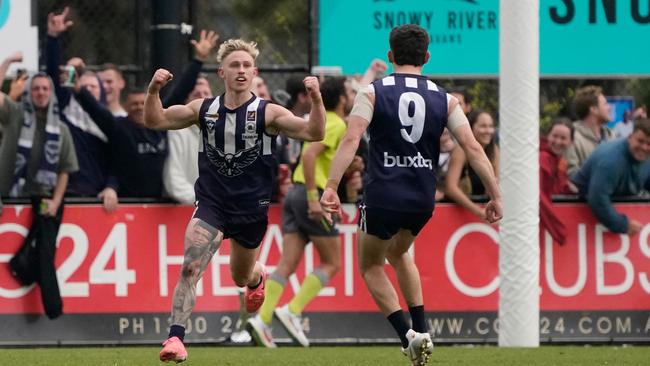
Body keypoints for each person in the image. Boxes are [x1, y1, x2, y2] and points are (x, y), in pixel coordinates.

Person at [320, 24, 502, 366]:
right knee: (401, 252)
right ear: (427, 57)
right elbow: (473, 147)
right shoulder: (446, 98)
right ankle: (423, 328)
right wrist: (495, 195)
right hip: (421, 198)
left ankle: (408, 336)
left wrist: (331, 186)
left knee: (371, 265)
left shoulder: (372, 92)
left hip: (383, 195)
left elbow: (351, 138)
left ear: (390, 56)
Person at [143, 38, 325, 363]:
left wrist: (316, 99)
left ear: (254, 73)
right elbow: (155, 120)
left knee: (239, 277)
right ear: (221, 72)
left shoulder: (268, 112)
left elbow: (314, 132)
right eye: (234, 66)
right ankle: (175, 339)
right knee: (189, 267)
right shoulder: (204, 109)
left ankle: (257, 278)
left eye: (246, 66)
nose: (241, 71)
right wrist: (154, 90)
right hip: (212, 204)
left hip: (250, 210)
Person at [247, 77, 352, 348]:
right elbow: (309, 156)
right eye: (350, 92)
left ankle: (263, 318)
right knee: (332, 263)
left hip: (294, 193)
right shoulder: (336, 122)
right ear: (341, 98)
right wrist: (313, 199)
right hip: (311, 194)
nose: (352, 96)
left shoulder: (322, 119)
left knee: (287, 263)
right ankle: (292, 310)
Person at [0, 59, 79, 319]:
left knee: (45, 251)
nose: (41, 93)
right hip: (12, 194)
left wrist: (57, 201)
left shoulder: (62, 128)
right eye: (36, 89)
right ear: (29, 92)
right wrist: (7, 64)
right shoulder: (15, 114)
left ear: (51, 92)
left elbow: (65, 170)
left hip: (45, 196)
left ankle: (54, 311)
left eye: (46, 89)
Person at [45, 7, 119, 212]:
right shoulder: (65, 110)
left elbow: (120, 160)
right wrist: (53, 38)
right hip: (60, 196)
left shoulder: (110, 121)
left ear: (102, 91)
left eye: (93, 87)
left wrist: (112, 186)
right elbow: (53, 76)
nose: (86, 89)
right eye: (82, 86)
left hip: (96, 200)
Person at [571, 118, 650, 236]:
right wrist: (623, 225)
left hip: (608, 210)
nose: (644, 147)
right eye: (640, 141)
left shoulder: (646, 158)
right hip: (579, 216)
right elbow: (597, 198)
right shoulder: (611, 159)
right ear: (630, 137)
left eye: (649, 144)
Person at [444, 110, 499, 221]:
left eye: (491, 126)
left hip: (483, 211)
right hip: (454, 213)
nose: (488, 131)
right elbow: (450, 188)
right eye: (483, 126)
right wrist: (478, 212)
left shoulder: (494, 150)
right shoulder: (461, 151)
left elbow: (495, 183)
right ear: (471, 128)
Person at [540, 118, 575, 245]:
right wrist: (559, 230)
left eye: (563, 138)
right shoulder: (543, 158)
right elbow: (537, 196)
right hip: (541, 227)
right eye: (555, 136)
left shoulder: (559, 160)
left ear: (571, 142)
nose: (558, 141)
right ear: (548, 136)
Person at [565, 85, 613, 176]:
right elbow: (571, 175)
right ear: (593, 109)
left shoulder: (611, 136)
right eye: (605, 104)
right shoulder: (572, 137)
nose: (609, 108)